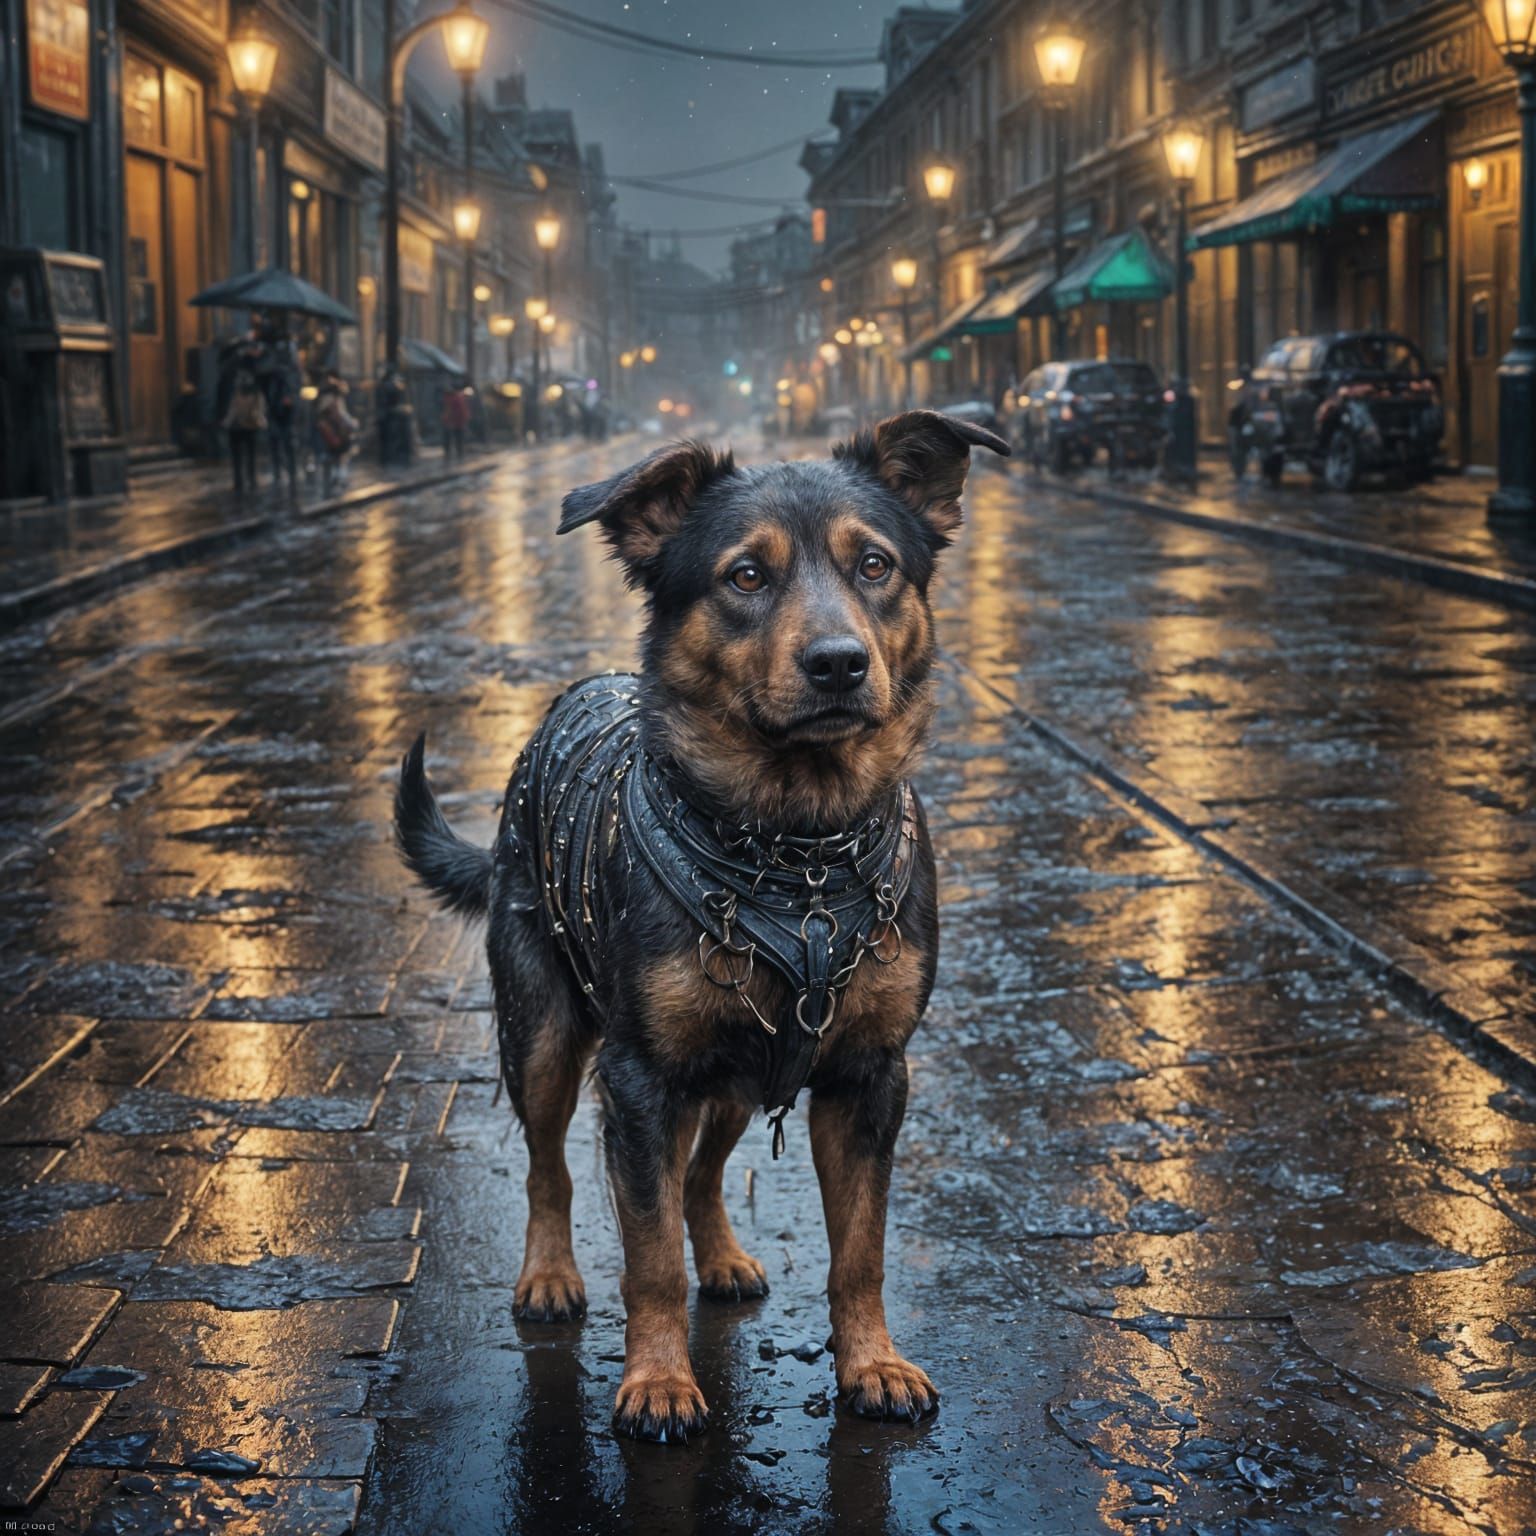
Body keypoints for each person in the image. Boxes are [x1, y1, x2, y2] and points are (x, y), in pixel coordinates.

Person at [259, 316, 302, 500]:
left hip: (283, 401)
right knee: (276, 439)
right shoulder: (269, 351)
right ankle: (279, 471)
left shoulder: (287, 353)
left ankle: (289, 471)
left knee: (286, 438)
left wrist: (290, 394)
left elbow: (294, 374)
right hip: (273, 399)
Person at [315, 373, 358, 496]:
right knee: (340, 455)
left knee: (334, 457)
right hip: (335, 431)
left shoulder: (322, 399)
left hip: (327, 431)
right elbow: (341, 416)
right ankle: (339, 478)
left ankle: (335, 479)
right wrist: (352, 424)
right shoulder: (334, 399)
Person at [441, 381, 470, 460]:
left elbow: (451, 410)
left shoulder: (455, 398)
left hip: (454, 421)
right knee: (457, 438)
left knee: (454, 438)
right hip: (455, 421)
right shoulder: (458, 397)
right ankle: (456, 454)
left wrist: (446, 418)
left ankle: (452, 454)